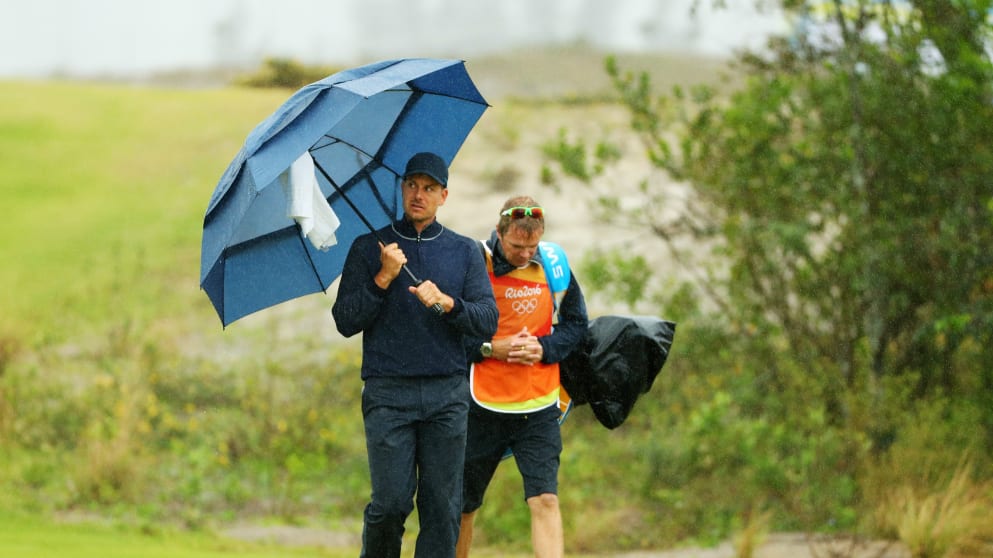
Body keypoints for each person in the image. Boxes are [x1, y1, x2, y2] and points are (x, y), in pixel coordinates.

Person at [332, 152, 498, 558]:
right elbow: (345, 321)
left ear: (444, 195)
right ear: (401, 189)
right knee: (390, 505)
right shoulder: (369, 248)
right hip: (388, 394)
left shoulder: (463, 251)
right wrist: (383, 277)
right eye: (411, 185)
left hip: (447, 394)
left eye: (428, 188)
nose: (418, 194)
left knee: (442, 509)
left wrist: (448, 303)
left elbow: (487, 320)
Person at [456, 196, 589, 558]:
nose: (524, 254)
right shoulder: (472, 263)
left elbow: (577, 326)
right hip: (482, 404)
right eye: (517, 246)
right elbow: (450, 333)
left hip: (539, 404)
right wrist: (490, 348)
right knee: (464, 506)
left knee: (545, 498)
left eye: (532, 246)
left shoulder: (554, 263)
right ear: (499, 233)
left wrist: (544, 348)